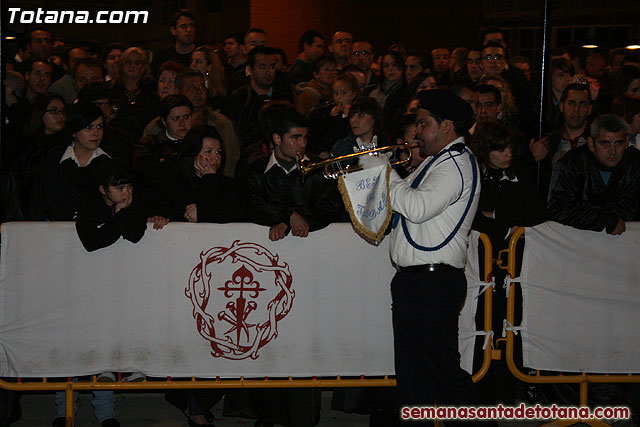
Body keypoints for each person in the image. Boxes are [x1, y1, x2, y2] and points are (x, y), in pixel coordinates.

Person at [386, 89, 481, 423]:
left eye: (423, 124)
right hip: (416, 281)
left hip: (433, 281)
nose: (417, 133)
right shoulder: (436, 163)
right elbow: (395, 203)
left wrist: (380, 172)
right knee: (413, 378)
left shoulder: (455, 164)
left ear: (446, 126)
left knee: (442, 374)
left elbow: (416, 206)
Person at [547, 114, 640, 234]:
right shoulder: (571, 164)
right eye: (605, 143)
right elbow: (558, 208)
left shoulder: (635, 163)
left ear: (627, 142)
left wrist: (603, 217)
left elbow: (632, 205)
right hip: (576, 245)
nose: (612, 151)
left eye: (618, 143)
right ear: (591, 144)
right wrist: (605, 218)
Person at [75, 159, 147, 252]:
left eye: (129, 186)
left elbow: (135, 236)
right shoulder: (90, 204)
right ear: (103, 189)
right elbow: (90, 243)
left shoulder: (135, 201)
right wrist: (117, 217)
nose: (127, 193)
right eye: (120, 188)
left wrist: (120, 212)